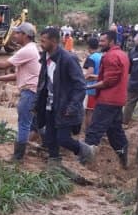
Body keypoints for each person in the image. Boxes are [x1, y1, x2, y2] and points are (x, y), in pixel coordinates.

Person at [34, 27, 93, 165]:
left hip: (64, 106)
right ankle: (54, 164)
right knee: (49, 137)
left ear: (53, 41)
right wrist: (38, 102)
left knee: (63, 139)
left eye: (43, 41)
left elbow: (80, 84)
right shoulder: (45, 57)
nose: (40, 44)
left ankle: (86, 151)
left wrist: (73, 106)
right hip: (50, 104)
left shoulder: (68, 59)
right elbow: (43, 82)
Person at [0, 22, 40, 161]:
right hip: (33, 91)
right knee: (34, 124)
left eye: (17, 33)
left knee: (23, 124)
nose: (14, 35)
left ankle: (18, 157)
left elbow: (4, 64)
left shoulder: (26, 50)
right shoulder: (31, 49)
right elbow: (17, 75)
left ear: (25, 35)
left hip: (29, 92)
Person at [85, 31, 130, 169]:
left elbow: (108, 81)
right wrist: (96, 77)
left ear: (111, 42)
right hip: (118, 99)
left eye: (103, 41)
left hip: (107, 100)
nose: (100, 43)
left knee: (94, 130)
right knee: (114, 131)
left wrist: (88, 87)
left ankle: (84, 162)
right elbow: (114, 76)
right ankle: (124, 158)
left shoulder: (110, 56)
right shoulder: (122, 55)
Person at [82, 37, 102, 130]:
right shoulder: (101, 56)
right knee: (96, 111)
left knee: (89, 112)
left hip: (91, 89)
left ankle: (88, 132)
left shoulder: (91, 58)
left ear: (88, 46)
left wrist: (83, 78)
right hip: (101, 87)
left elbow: (89, 73)